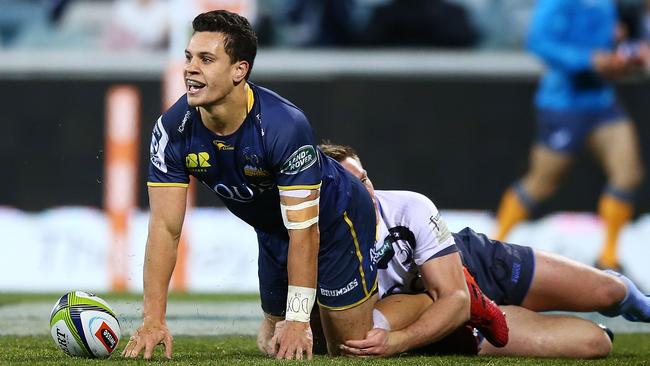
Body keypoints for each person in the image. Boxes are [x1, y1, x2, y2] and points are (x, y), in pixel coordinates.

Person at [119, 10, 472, 360]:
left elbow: (306, 230)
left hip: (335, 220)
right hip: (274, 230)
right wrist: (153, 320)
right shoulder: (171, 131)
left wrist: (298, 317)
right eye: (189, 57)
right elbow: (165, 229)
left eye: (206, 59)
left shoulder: (282, 126)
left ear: (239, 70)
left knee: (349, 349)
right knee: (277, 345)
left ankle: (431, 299)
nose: (190, 68)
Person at [318, 143, 650, 358]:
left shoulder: (409, 207)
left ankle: (641, 304)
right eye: (354, 186)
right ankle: (478, 310)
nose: (368, 193)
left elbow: (454, 297)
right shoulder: (317, 238)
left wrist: (399, 342)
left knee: (606, 291)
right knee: (596, 344)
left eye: (366, 179)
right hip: (446, 315)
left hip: (471, 263)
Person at [493, 0, 648, 271]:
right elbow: (538, 41)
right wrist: (588, 60)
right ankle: (491, 249)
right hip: (563, 104)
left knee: (628, 173)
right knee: (542, 182)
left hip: (602, 101)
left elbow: (627, 32)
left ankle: (608, 258)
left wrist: (628, 51)